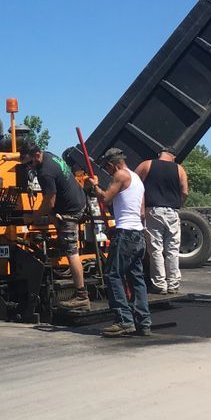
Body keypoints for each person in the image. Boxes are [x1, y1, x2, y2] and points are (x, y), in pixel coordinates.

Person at [18, 138, 90, 310]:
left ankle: (81, 295)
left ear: (36, 155)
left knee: (72, 252)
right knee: (51, 217)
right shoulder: (49, 155)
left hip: (71, 212)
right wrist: (10, 159)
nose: (29, 168)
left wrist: (33, 218)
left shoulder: (45, 173)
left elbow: (49, 202)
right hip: (80, 200)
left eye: (29, 164)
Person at [89, 148, 152, 337]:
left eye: (107, 168)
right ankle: (143, 322)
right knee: (136, 278)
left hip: (125, 233)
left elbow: (106, 198)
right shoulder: (137, 179)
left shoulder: (121, 175)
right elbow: (141, 211)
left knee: (112, 275)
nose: (108, 173)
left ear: (113, 164)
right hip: (138, 234)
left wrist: (95, 186)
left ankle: (124, 320)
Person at [135, 146, 188, 295]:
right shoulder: (179, 169)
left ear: (160, 154)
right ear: (174, 157)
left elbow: (134, 184)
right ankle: (173, 284)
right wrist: (177, 204)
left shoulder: (146, 165)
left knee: (156, 249)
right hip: (172, 211)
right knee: (172, 249)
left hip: (153, 211)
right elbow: (184, 191)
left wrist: (140, 208)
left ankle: (160, 285)